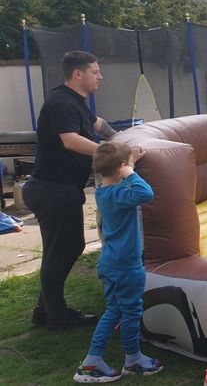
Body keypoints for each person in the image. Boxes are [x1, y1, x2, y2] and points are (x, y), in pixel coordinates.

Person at [23, 50, 118, 330]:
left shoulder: (74, 101)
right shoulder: (61, 102)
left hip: (57, 189)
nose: (100, 76)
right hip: (52, 190)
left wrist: (118, 136)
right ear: (78, 74)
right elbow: (71, 140)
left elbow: (96, 124)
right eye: (95, 71)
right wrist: (115, 152)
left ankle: (46, 310)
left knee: (62, 249)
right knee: (63, 250)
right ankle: (56, 316)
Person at [73, 141, 162, 383]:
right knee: (131, 312)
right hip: (126, 266)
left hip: (110, 263)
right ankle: (133, 360)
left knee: (113, 311)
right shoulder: (121, 194)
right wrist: (131, 170)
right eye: (126, 165)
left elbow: (121, 182)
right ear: (121, 169)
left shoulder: (103, 191)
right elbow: (146, 193)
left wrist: (127, 163)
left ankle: (92, 361)